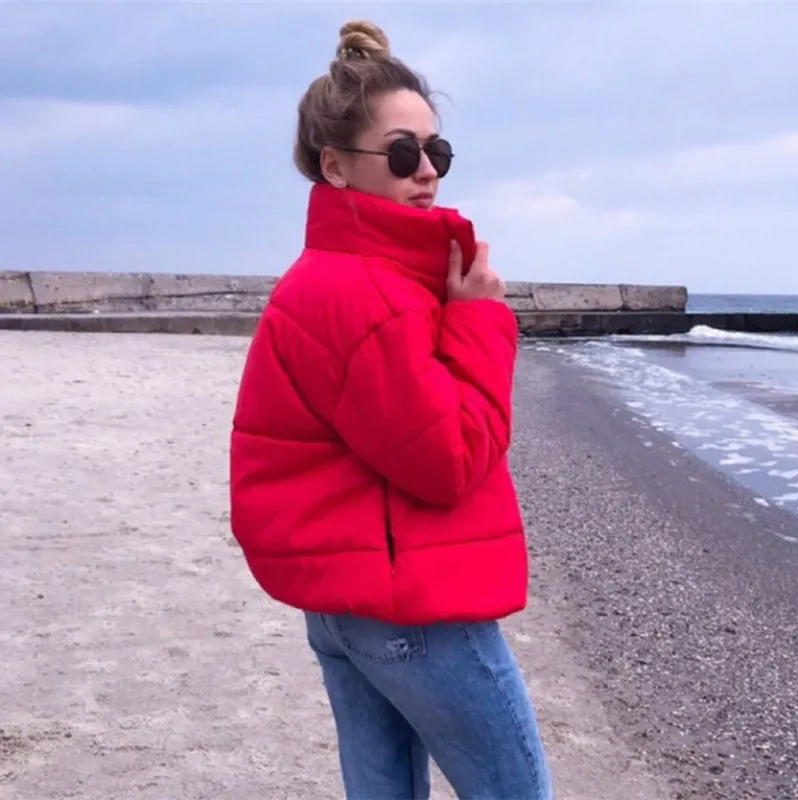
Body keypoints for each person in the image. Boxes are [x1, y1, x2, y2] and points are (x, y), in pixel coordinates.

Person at [229, 18, 553, 800]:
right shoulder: (363, 293)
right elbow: (448, 459)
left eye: (437, 151)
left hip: (350, 597)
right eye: (403, 153)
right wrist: (479, 319)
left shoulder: (334, 277)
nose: (427, 170)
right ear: (335, 166)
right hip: (409, 601)